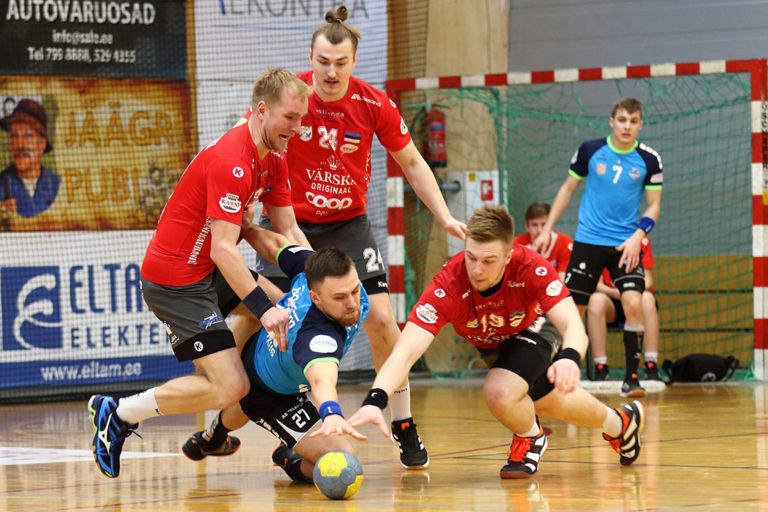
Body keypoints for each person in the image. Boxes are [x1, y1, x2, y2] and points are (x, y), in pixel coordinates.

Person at [192, 5, 467, 471]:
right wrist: (239, 199)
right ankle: (219, 420)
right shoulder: (292, 96)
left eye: (341, 63)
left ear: (354, 62)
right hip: (289, 225)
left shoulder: (373, 104)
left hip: (347, 226)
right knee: (253, 317)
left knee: (381, 319)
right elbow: (243, 137)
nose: (331, 72)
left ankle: (402, 421)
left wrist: (443, 216)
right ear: (311, 59)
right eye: (323, 62)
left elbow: (413, 163)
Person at [88, 68, 313, 479]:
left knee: (291, 310)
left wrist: (318, 278)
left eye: (302, 118)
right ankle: (118, 413)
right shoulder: (233, 162)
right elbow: (223, 248)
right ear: (262, 110)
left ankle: (223, 419)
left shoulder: (274, 156)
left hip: (208, 269)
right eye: (290, 118)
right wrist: (263, 310)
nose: (298, 128)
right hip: (176, 281)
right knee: (232, 385)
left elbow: (289, 230)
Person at [347, 205, 646, 478]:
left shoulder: (531, 266)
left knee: (500, 392)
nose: (477, 270)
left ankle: (530, 437)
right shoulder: (448, 285)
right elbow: (405, 352)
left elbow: (572, 324)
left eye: (489, 261)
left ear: (508, 256)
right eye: (471, 258)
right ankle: (620, 422)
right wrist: (376, 399)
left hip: (534, 328)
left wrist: (569, 357)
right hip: (493, 343)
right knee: (548, 401)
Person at [184, 226, 370, 482]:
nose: (352, 303)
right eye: (339, 297)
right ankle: (287, 457)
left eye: (355, 290)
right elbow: (322, 379)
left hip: (268, 353)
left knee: (245, 403)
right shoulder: (317, 336)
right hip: (271, 394)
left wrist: (248, 228)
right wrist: (331, 413)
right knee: (344, 466)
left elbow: (274, 245)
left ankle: (212, 438)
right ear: (315, 298)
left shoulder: (310, 268)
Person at [533, 97, 662, 398]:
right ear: (611, 122)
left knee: (634, 303)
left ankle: (632, 379)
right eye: (622, 120)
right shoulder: (590, 151)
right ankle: (550, 373)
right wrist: (548, 228)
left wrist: (638, 236)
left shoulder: (649, 160)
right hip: (588, 241)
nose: (627, 126)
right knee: (571, 310)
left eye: (633, 121)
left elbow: (654, 205)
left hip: (625, 244)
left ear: (640, 125)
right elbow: (568, 188)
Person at [587, 235, 662, 386]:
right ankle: (601, 367)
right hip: (611, 300)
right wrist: (617, 292)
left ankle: (651, 365)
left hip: (636, 298)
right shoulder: (598, 237)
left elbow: (648, 280)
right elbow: (596, 283)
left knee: (648, 299)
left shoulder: (640, 238)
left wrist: (630, 290)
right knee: (595, 301)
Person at [0, 98, 60, 217]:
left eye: (28, 136)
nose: (20, 145)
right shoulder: (2, 184)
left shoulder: (56, 184)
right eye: (14, 136)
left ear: (42, 144)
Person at [513, 202, 573, 280]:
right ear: (527, 227)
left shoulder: (564, 242)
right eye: (534, 225)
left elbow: (562, 280)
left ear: (550, 225)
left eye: (544, 224)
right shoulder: (516, 244)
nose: (539, 231)